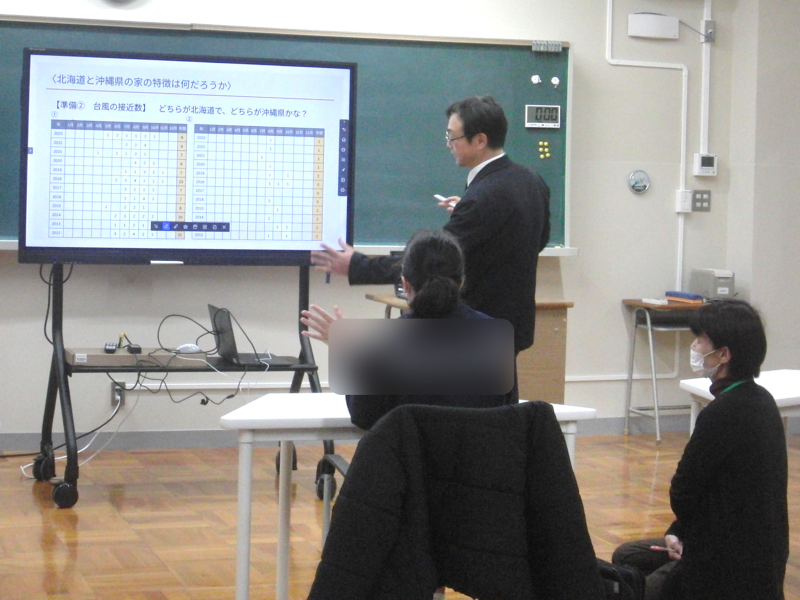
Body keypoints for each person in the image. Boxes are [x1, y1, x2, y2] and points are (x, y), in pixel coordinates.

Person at [310, 95, 551, 357]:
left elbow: (430, 261)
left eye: (453, 137)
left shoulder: (481, 198)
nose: (448, 144)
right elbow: (536, 241)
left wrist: (357, 266)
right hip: (514, 324)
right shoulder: (531, 180)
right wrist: (474, 219)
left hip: (475, 332)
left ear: (480, 140)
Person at [612, 300, 789, 600]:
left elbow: (683, 492)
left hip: (725, 569)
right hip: (753, 556)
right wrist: (677, 531)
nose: (694, 346)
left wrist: (686, 534)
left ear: (723, 354)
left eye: (700, 340)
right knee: (629, 554)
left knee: (628, 581)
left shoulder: (724, 412)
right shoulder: (762, 401)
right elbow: (710, 492)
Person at [302, 228, 515, 431]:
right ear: (462, 282)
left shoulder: (385, 343)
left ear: (405, 284)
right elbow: (507, 414)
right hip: (477, 457)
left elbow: (364, 417)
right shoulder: (495, 338)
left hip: (409, 458)